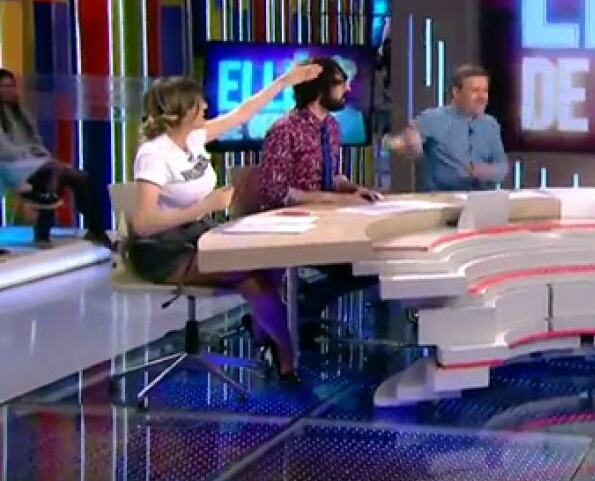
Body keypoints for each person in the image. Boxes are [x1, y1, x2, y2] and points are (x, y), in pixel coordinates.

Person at [126, 64, 321, 382]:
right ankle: (284, 354)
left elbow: (243, 113)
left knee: (270, 263)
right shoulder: (153, 154)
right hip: (163, 250)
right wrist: (204, 206)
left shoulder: (194, 138)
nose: (205, 106)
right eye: (198, 103)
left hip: (198, 235)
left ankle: (274, 344)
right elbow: (144, 223)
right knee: (249, 272)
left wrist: (285, 81)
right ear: (181, 111)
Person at [256, 57, 383, 325]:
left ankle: (303, 310)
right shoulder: (284, 130)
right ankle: (297, 317)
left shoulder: (331, 127)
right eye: (340, 83)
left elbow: (330, 177)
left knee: (375, 261)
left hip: (327, 221)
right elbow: (276, 192)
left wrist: (356, 189)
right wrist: (336, 200)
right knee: (357, 267)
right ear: (319, 88)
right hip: (291, 227)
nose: (347, 89)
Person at [0, 69, 112, 249]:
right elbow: (5, 150)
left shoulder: (20, 112)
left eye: (11, 85)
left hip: (32, 162)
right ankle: (42, 231)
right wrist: (37, 158)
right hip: (10, 165)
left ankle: (96, 229)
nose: (9, 90)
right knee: (56, 171)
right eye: (4, 86)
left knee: (79, 176)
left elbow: (36, 142)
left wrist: (44, 158)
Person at [385, 64, 508, 192]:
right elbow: (403, 143)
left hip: (481, 199)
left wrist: (486, 171)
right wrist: (405, 143)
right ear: (456, 92)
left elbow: (502, 167)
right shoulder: (432, 119)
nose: (482, 97)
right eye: (475, 91)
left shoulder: (491, 125)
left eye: (485, 91)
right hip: (441, 199)